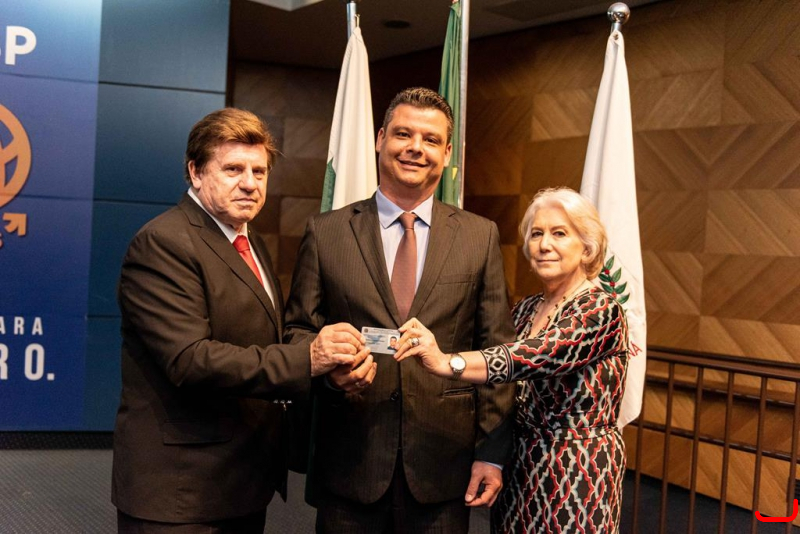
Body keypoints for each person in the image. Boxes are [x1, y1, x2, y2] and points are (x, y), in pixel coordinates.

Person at [112, 108, 368, 533]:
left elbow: (263, 342)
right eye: (233, 169)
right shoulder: (163, 242)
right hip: (179, 494)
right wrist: (308, 360)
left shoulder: (248, 241)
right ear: (195, 172)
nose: (250, 183)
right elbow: (190, 360)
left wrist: (330, 371)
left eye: (259, 171)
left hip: (241, 482)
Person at [284, 87, 515, 533]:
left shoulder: (479, 236)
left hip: (443, 466)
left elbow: (495, 352)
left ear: (447, 153)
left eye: (431, 140)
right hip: (351, 462)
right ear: (380, 139)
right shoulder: (327, 232)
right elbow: (296, 331)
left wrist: (491, 453)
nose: (416, 148)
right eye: (403, 134)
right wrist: (330, 372)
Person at [395, 187, 629, 533]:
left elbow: (534, 356)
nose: (544, 245)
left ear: (586, 247)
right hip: (518, 465)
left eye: (559, 234)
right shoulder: (525, 308)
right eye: (536, 234)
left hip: (577, 470)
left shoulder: (601, 309)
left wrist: (447, 362)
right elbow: (503, 392)